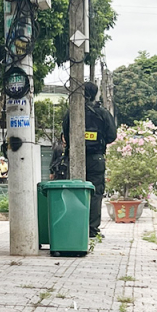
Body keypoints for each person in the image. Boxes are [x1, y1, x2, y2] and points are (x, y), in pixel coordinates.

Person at [62, 82, 117, 238]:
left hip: (75, 158)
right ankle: (92, 229)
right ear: (95, 94)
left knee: (74, 192)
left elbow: (65, 134)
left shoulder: (71, 113)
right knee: (95, 193)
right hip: (96, 158)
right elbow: (112, 135)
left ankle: (75, 226)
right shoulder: (103, 113)